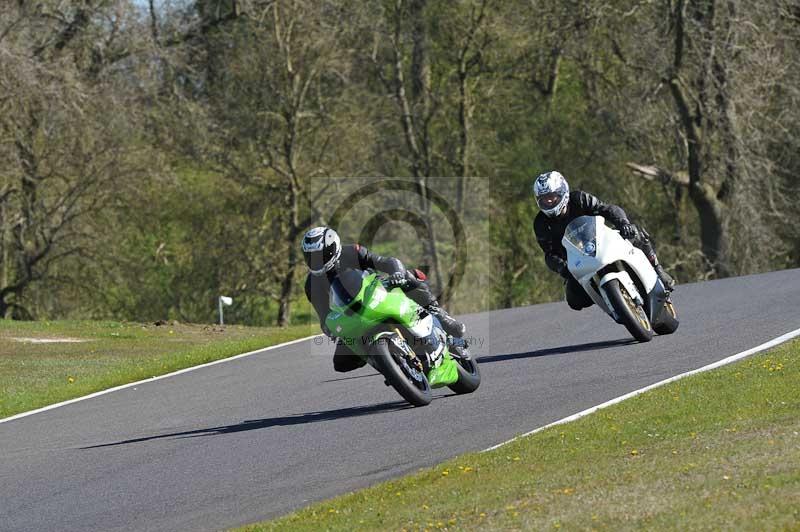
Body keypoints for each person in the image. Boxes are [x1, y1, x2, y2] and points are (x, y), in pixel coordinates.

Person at [301, 226, 466, 372]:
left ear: (333, 247)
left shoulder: (351, 252)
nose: (316, 260)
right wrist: (331, 329)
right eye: (310, 256)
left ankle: (439, 315)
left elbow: (386, 262)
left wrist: (397, 274)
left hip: (377, 291)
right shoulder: (311, 284)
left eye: (320, 255)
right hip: (353, 316)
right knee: (342, 363)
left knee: (409, 276)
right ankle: (386, 362)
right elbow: (324, 315)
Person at [532, 170, 675, 311]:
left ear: (562, 192)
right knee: (574, 300)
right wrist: (562, 267)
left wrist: (623, 223)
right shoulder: (540, 223)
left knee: (635, 234)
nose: (549, 201)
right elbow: (549, 254)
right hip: (577, 262)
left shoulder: (579, 199)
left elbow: (607, 209)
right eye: (544, 199)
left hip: (602, 242)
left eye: (551, 196)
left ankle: (658, 270)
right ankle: (609, 298)